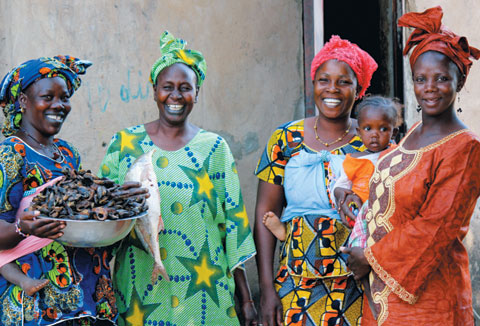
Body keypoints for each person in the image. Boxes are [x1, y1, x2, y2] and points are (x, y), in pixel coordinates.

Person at [98, 31, 258, 325]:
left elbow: (232, 229)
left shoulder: (215, 149)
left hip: (206, 298)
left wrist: (246, 300)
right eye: (167, 87)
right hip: (141, 295)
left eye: (185, 87)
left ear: (197, 93)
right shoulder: (124, 146)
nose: (175, 95)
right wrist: (119, 201)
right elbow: (99, 219)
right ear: (154, 90)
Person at [343, 6, 480, 325]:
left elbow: (436, 225)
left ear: (459, 83)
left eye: (442, 78)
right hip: (382, 296)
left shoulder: (465, 146)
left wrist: (370, 258)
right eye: (421, 78)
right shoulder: (415, 133)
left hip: (430, 301)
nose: (430, 87)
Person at [254, 35, 377, 326]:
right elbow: (264, 214)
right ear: (313, 84)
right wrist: (267, 289)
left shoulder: (372, 140)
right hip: (295, 282)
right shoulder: (285, 139)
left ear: (359, 89)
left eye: (344, 82)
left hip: (356, 283)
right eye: (324, 80)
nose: (332, 89)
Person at [0, 56, 119, 325]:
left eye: (64, 97)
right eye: (48, 97)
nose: (59, 105)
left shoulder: (67, 153)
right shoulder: (11, 154)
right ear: (23, 101)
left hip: (85, 288)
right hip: (38, 297)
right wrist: (23, 228)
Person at [262, 96, 400, 244]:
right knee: (358, 234)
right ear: (359, 132)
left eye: (383, 129)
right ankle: (285, 231)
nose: (375, 134)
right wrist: (341, 193)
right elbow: (341, 184)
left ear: (394, 133)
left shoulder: (396, 155)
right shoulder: (354, 159)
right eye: (368, 129)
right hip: (359, 212)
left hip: (383, 211)